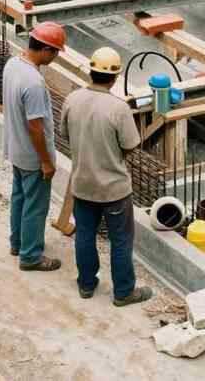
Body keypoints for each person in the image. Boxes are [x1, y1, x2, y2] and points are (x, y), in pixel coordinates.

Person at [61, 46, 152, 306]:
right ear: (114, 77)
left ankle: (86, 284)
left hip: (83, 184)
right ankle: (124, 292)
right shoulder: (118, 107)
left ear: (91, 71)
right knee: (121, 241)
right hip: (114, 190)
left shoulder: (72, 99)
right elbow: (130, 145)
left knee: (85, 235)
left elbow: (66, 135)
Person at [3, 22, 66, 271]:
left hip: (15, 149)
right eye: (56, 52)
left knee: (19, 197)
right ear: (47, 50)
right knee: (36, 206)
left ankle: (18, 242)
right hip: (32, 156)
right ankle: (30, 256)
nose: (56, 58)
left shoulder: (12, 65)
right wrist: (45, 161)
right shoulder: (34, 83)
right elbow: (36, 127)